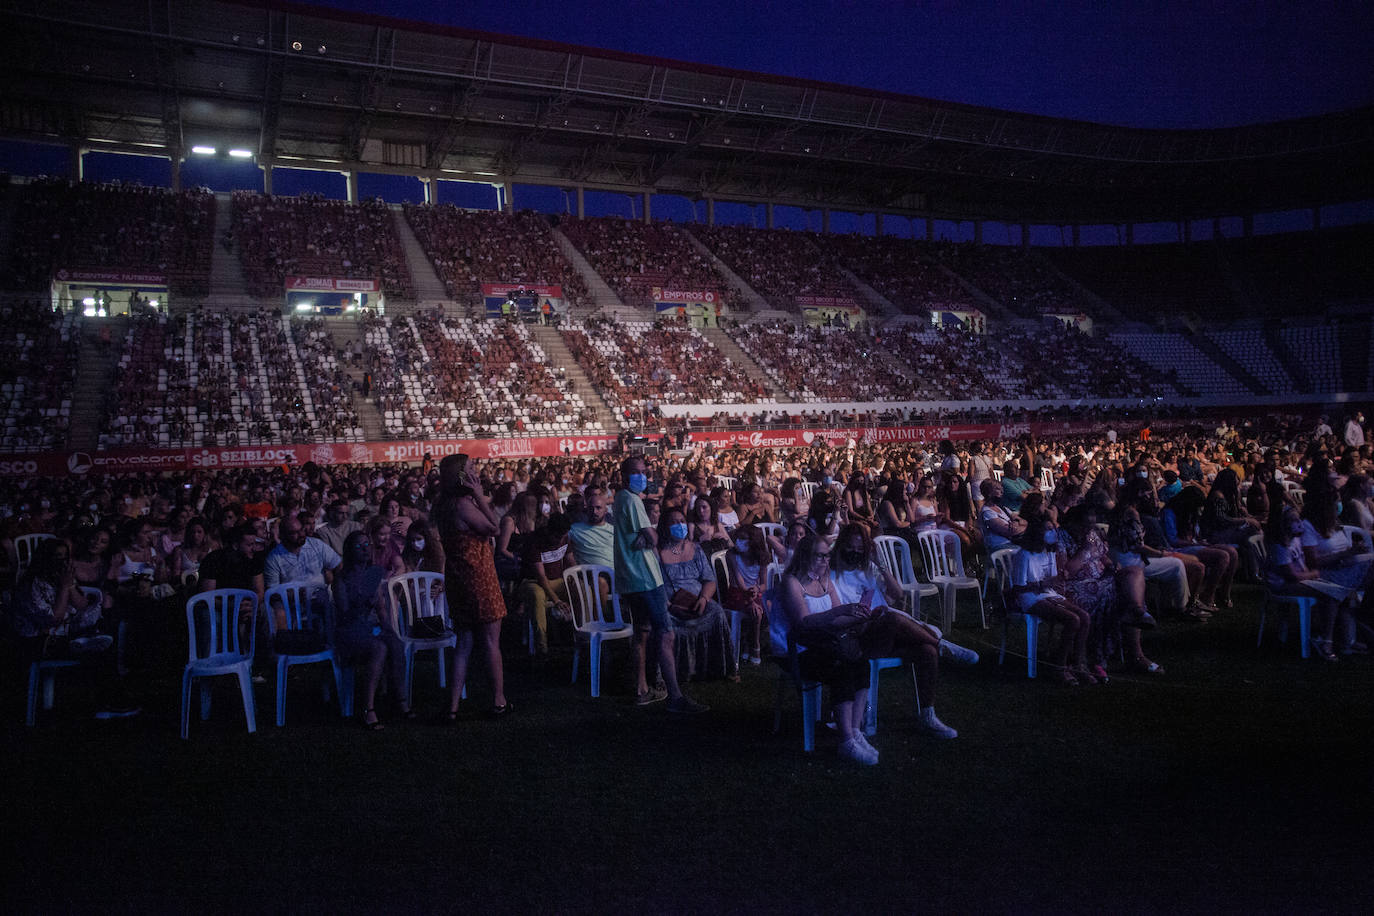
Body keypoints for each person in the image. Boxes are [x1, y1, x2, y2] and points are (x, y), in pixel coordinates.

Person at [613, 455, 707, 713]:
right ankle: (675, 697)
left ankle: (642, 689)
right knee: (666, 633)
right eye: (636, 472)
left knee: (642, 632)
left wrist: (648, 538)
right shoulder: (631, 500)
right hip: (644, 577)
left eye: (645, 471)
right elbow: (652, 537)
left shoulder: (622, 498)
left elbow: (643, 539)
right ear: (623, 476)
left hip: (631, 578)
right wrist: (651, 537)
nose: (642, 476)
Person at [777, 533, 876, 764]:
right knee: (840, 664)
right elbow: (804, 622)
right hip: (800, 648)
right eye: (820, 556)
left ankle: (855, 730)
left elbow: (839, 616)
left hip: (825, 641)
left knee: (860, 660)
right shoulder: (792, 582)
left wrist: (859, 617)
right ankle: (846, 740)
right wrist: (840, 612)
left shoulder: (825, 581)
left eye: (827, 556)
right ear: (805, 556)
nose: (825, 561)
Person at [433, 454, 509, 719]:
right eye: (470, 468)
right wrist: (478, 495)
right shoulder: (462, 506)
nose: (476, 470)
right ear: (461, 476)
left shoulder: (443, 504)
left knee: (464, 642)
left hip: (458, 577)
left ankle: (452, 706)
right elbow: (495, 528)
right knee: (490, 642)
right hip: (478, 576)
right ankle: (498, 699)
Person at [1007, 493, 1096, 686]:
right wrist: (1044, 585)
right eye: (1048, 530)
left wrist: (1057, 581)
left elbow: (1052, 580)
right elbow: (1019, 588)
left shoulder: (1049, 553)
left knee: (1085, 618)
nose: (1053, 533)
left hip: (1048, 593)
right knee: (1072, 620)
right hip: (1030, 597)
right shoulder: (1024, 555)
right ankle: (1060, 666)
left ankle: (1080, 663)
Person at [332, 531, 409, 728]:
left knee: (395, 643)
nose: (366, 549)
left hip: (368, 626)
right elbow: (344, 614)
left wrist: (388, 629)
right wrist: (362, 601)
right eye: (359, 546)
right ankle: (368, 708)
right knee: (379, 648)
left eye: (367, 544)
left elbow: (381, 610)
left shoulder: (372, 573)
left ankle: (400, 699)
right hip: (349, 630)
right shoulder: (341, 579)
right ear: (350, 551)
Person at [656, 507, 738, 681]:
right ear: (665, 526)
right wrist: (668, 604)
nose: (679, 525)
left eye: (682, 521)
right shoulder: (658, 552)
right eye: (674, 522)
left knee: (716, 612)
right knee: (665, 621)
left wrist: (703, 598)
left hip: (696, 600)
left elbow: (709, 580)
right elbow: (655, 584)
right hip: (669, 604)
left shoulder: (696, 549)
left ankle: (718, 669)